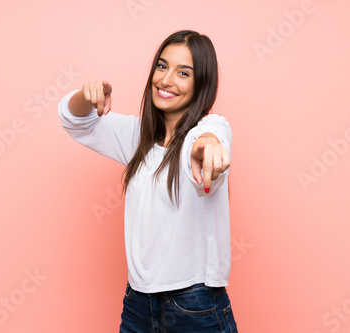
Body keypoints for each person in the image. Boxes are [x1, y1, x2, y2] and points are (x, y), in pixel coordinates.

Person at [58, 30, 238, 332]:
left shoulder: (208, 129)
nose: (166, 80)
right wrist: (87, 95)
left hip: (195, 305)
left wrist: (207, 149)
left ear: (201, 83)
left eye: (184, 73)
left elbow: (210, 137)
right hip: (138, 304)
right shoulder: (137, 138)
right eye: (162, 66)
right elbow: (74, 120)